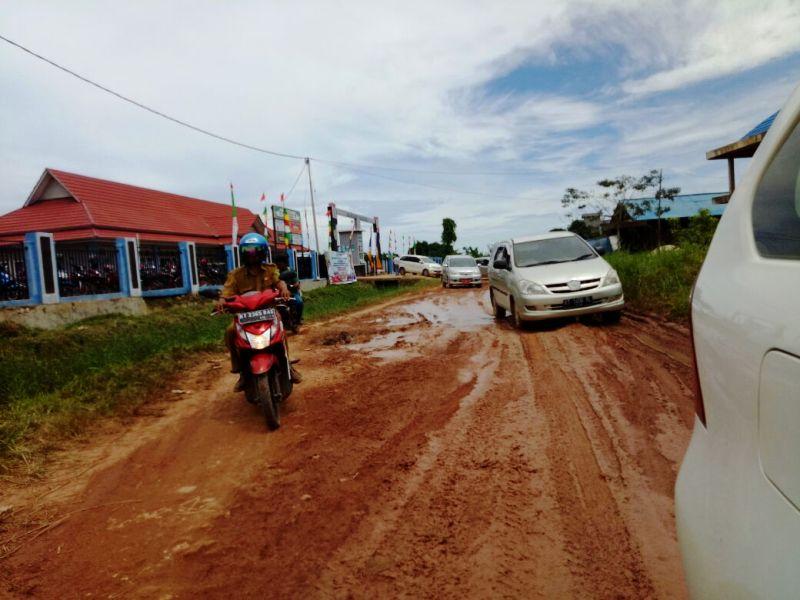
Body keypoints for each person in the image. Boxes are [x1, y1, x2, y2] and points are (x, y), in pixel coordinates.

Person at [219, 233, 301, 391]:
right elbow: (227, 291)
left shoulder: (270, 270)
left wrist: (283, 289)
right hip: (245, 316)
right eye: (248, 251)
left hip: (268, 312)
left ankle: (287, 365)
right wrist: (222, 301)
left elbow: (279, 281)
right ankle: (241, 370)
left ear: (262, 252)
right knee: (230, 331)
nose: (252, 254)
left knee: (281, 330)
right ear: (243, 253)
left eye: (256, 250)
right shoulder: (236, 275)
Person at [276, 256, 304, 325]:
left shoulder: (291, 271)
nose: (278, 265)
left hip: (293, 292)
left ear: (285, 263)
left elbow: (296, 282)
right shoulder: (275, 273)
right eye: (278, 263)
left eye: (280, 263)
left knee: (299, 302)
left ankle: (298, 319)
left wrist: (294, 285)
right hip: (280, 294)